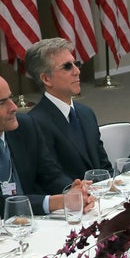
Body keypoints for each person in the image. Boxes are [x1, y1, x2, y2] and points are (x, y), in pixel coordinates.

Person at [0, 71, 92, 217]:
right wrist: (56, 202)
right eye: (1, 103)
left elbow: (50, 174)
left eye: (10, 98)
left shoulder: (25, 126)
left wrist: (72, 191)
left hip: (33, 220)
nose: (13, 107)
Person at [25, 38, 112, 179]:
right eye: (67, 67)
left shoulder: (86, 113)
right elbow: (51, 179)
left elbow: (104, 167)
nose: (77, 71)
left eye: (76, 64)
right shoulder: (35, 124)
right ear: (46, 79)